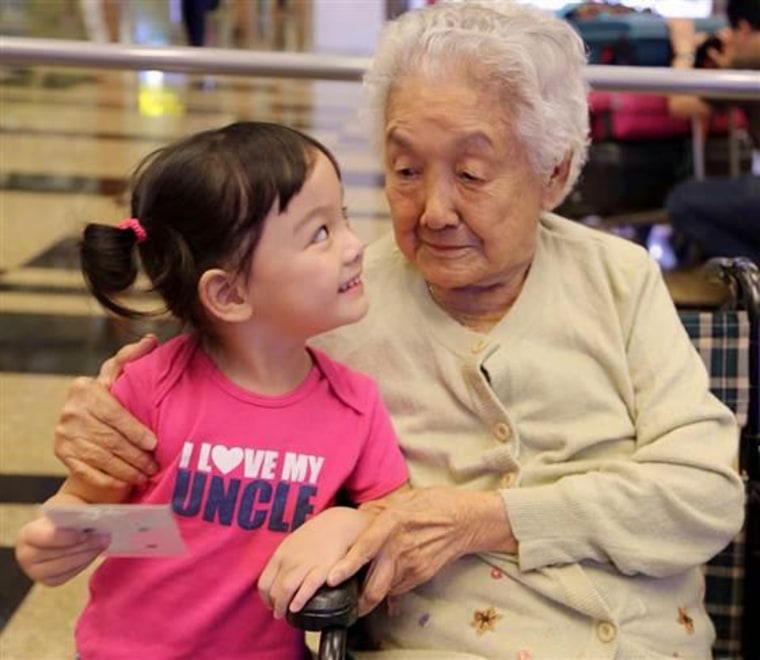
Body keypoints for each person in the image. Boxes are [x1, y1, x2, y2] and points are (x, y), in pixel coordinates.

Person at [49, 2, 745, 657]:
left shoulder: (619, 278)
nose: (434, 209)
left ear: (554, 171)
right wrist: (115, 415)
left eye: (471, 173)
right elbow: (197, 446)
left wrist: (484, 518)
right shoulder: (330, 311)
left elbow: (705, 495)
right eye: (406, 169)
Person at [14, 121, 408, 659]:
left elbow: (395, 510)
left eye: (341, 219)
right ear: (228, 292)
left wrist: (349, 520)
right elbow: (90, 505)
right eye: (320, 233)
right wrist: (55, 540)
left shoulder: (354, 405)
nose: (355, 245)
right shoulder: (152, 388)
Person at [666, 0, 760, 265]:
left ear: (742, 28)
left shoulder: (750, 60)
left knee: (683, 201)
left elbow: (679, 104)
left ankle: (750, 273)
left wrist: (683, 51)